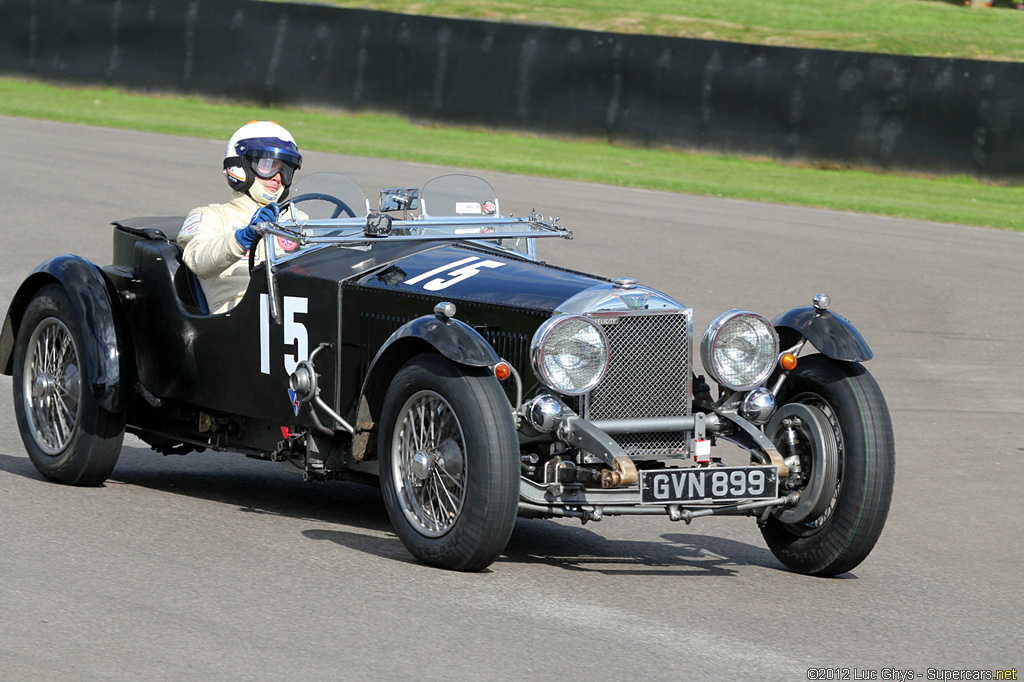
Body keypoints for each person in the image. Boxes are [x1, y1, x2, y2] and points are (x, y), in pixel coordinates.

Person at [177, 120, 304, 313]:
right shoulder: (211, 216)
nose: (278, 177)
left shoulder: (297, 218)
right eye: (269, 166)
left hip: (297, 310)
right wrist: (243, 237)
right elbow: (198, 261)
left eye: (285, 169)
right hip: (236, 317)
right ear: (241, 166)